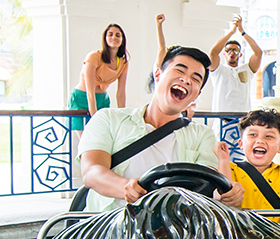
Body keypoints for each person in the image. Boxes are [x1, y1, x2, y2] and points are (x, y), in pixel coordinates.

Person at [78, 45, 240, 209]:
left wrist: (227, 194)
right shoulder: (109, 119)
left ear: (196, 95)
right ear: (158, 74)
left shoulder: (202, 135)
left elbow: (208, 182)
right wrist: (125, 187)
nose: (186, 80)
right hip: (112, 224)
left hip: (174, 228)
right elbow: (92, 171)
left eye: (196, 78)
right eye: (179, 71)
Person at [69, 23, 130, 130]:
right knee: (87, 141)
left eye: (117, 35)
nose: (114, 38)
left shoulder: (123, 62)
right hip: (82, 99)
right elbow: (90, 92)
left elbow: (120, 92)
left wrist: (122, 114)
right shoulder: (94, 57)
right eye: (110, 34)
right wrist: (94, 116)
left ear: (122, 39)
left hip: (102, 100)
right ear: (105, 38)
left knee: (102, 138)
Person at [203, 15, 263, 114]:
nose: (232, 53)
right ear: (224, 53)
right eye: (228, 50)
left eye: (235, 51)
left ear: (240, 54)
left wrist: (242, 32)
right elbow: (213, 53)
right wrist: (231, 32)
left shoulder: (247, 70)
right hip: (221, 121)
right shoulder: (218, 70)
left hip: (242, 120)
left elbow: (258, 53)